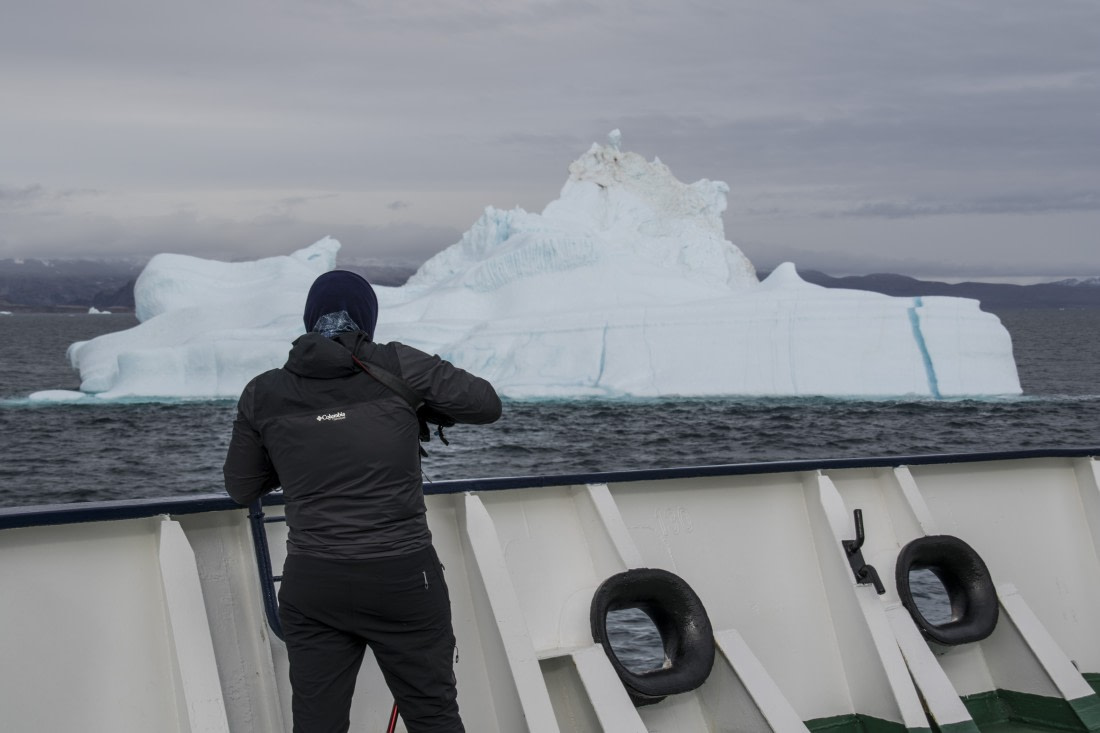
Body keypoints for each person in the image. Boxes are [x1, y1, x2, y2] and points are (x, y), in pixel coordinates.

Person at [223, 270, 501, 733]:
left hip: (314, 584)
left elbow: (241, 487)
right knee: (433, 715)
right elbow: (486, 405)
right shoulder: (399, 365)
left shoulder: (263, 392)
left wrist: (295, 451)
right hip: (404, 579)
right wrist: (418, 402)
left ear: (310, 319)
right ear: (368, 319)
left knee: (317, 725)